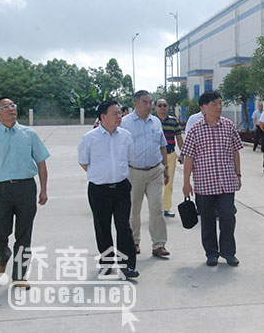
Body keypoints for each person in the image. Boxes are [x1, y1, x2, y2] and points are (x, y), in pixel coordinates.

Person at [0, 97, 50, 289]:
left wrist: (43, 189)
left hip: (26, 188)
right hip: (1, 190)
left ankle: (19, 276)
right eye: (5, 107)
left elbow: (41, 162)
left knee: (24, 234)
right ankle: (3, 254)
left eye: (12, 105)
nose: (11, 108)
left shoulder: (29, 134)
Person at [78, 100, 139, 280]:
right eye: (115, 113)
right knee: (102, 226)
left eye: (120, 113)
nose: (119, 116)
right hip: (99, 190)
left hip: (121, 188)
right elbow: (83, 162)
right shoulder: (89, 138)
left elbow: (130, 159)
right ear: (103, 117)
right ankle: (106, 262)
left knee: (123, 226)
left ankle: (127, 265)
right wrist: (100, 175)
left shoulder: (126, 136)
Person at [182, 90, 243, 267]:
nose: (218, 107)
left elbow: (235, 151)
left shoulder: (228, 125)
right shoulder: (195, 129)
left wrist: (238, 174)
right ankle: (211, 253)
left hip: (226, 182)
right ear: (203, 107)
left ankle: (228, 252)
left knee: (228, 216)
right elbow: (189, 158)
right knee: (207, 221)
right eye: (214, 104)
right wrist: (186, 182)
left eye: (220, 103)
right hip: (204, 183)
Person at [120, 90, 170, 258]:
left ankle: (159, 244)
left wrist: (166, 168)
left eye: (150, 102)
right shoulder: (125, 123)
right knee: (134, 209)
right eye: (144, 102)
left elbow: (162, 145)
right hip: (134, 172)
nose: (148, 106)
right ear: (135, 104)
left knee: (157, 208)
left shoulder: (156, 122)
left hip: (155, 171)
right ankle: (134, 242)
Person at [155, 98, 184, 217]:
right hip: (155, 157)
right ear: (155, 107)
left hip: (170, 155)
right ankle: (156, 208)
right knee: (156, 183)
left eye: (164, 105)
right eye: (160, 105)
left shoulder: (173, 121)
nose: (162, 107)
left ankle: (166, 208)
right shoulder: (152, 121)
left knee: (168, 182)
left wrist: (182, 153)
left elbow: (179, 138)